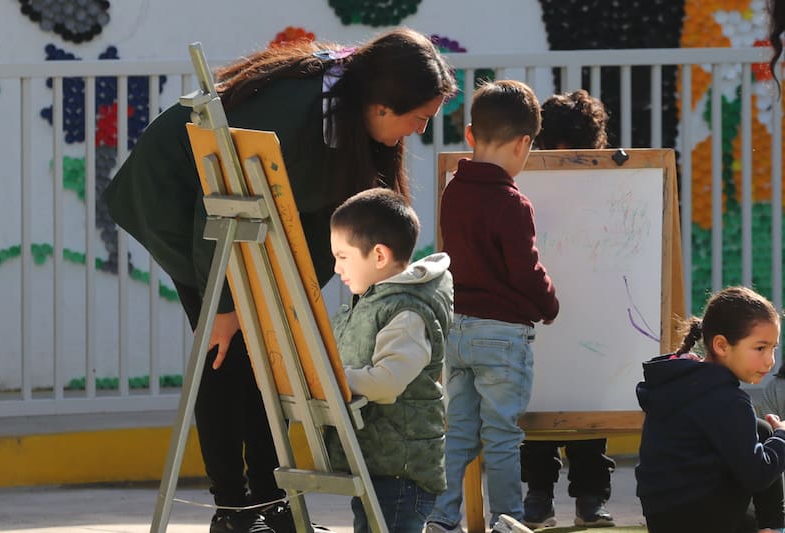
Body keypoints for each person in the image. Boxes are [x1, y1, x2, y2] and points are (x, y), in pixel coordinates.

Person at [102, 28, 456, 533]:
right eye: (418, 119)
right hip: (188, 207)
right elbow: (219, 209)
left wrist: (292, 306)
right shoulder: (293, 122)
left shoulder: (348, 117)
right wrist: (222, 307)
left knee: (270, 353)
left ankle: (275, 506)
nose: (419, 132)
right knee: (227, 357)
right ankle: (236, 511)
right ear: (382, 104)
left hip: (244, 220)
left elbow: (316, 222)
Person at [425, 80, 559, 533]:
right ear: (524, 143)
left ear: (469, 135)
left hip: (456, 330)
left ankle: (440, 520)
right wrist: (548, 303)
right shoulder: (513, 203)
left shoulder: (454, 192)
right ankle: (509, 521)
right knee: (501, 436)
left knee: (457, 434)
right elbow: (525, 271)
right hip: (503, 337)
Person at [324, 187, 453, 533]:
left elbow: (386, 382)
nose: (336, 268)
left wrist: (334, 377)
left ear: (378, 256)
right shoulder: (373, 301)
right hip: (381, 461)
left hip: (402, 471)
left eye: (343, 256)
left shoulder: (407, 312)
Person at [519, 89, 616, 529]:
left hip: (592, 313)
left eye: (573, 155)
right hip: (537, 311)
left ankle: (591, 497)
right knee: (537, 405)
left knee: (589, 408)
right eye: (554, 154)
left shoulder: (614, 184)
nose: (564, 163)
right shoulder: (520, 183)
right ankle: (538, 494)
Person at [635, 285, 785, 533]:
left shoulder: (682, 381)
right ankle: (774, 528)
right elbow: (757, 474)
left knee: (761, 429)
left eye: (774, 348)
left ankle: (771, 527)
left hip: (663, 518)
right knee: (769, 440)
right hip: (705, 519)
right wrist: (782, 438)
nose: (770, 360)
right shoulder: (727, 400)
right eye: (760, 348)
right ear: (722, 345)